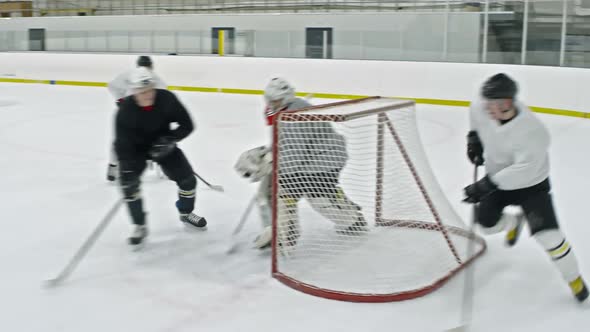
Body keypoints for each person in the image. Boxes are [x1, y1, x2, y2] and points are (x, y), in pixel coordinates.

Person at [463, 73, 588, 302]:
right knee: (486, 225)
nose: (486, 109)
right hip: (496, 181)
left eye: (492, 105)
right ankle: (513, 222)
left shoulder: (533, 131)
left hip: (532, 186)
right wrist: (473, 139)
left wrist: (484, 185)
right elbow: (475, 115)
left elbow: (524, 170)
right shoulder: (481, 107)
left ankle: (575, 279)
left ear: (507, 103)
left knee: (550, 238)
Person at [234, 77, 367, 250]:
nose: (272, 104)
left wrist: (272, 166)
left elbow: (295, 152)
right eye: (270, 100)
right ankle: (284, 235)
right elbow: (285, 142)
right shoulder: (283, 109)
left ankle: (350, 220)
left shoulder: (295, 114)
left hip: (324, 159)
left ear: (287, 97)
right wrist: (268, 155)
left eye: (276, 100)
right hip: (311, 159)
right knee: (288, 193)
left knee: (311, 197)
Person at [114, 67, 206, 246]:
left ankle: (186, 213)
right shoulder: (125, 110)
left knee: (188, 181)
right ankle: (139, 224)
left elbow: (187, 125)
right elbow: (121, 145)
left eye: (150, 90)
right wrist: (126, 169)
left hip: (163, 145)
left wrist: (170, 139)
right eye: (142, 92)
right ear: (134, 92)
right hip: (136, 151)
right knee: (129, 187)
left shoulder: (167, 99)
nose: (148, 95)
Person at [106, 55, 167, 182]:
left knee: (121, 140)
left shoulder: (129, 74)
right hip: (146, 115)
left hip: (128, 112)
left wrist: (120, 100)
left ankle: (113, 166)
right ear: (151, 65)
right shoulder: (156, 79)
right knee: (158, 139)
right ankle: (165, 166)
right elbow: (164, 96)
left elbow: (112, 86)